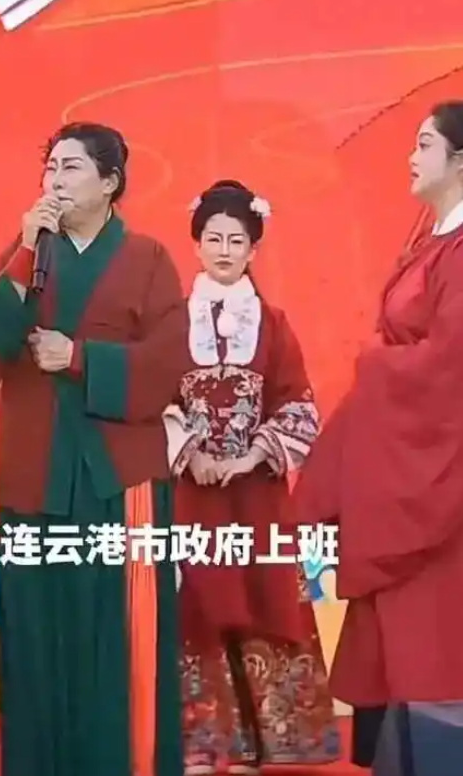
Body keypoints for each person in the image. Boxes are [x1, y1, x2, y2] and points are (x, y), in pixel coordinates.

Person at [0, 121, 191, 776]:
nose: (55, 181)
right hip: (34, 476)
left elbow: (168, 365)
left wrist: (79, 358)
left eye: (70, 168)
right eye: (50, 167)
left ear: (110, 183)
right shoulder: (28, 251)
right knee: (37, 640)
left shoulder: (148, 258)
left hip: (116, 481)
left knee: (114, 642)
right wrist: (22, 253)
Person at [292, 101, 463, 767]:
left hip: (436, 474)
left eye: (425, 144)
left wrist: (376, 362)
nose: (411, 157)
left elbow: (449, 365)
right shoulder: (432, 239)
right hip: (404, 462)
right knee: (402, 657)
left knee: (434, 651)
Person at [176, 181, 340, 775]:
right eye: (214, 238)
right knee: (199, 601)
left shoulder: (273, 323)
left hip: (257, 492)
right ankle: (204, 742)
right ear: (196, 244)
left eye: (236, 241)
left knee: (261, 596)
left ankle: (268, 741)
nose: (224, 250)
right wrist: (191, 452)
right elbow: (156, 399)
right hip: (192, 491)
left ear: (253, 249)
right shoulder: (172, 321)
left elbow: (298, 403)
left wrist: (249, 458)